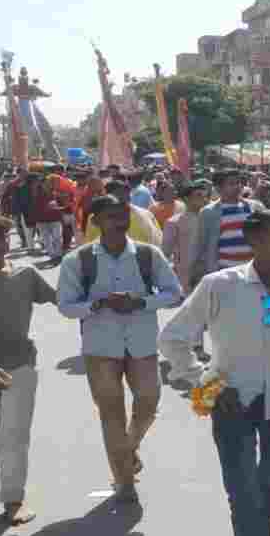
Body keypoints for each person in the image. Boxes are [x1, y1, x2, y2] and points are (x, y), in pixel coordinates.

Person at [159, 209, 270, 536]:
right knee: (242, 491)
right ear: (254, 241)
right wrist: (208, 384)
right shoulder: (219, 285)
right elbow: (171, 339)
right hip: (228, 402)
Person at [57, 195, 183, 503]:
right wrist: (98, 304)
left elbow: (174, 293)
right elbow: (66, 306)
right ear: (96, 221)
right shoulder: (78, 260)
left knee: (149, 403)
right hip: (100, 348)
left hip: (141, 343)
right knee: (111, 414)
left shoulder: (147, 255)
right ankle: (125, 481)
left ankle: (128, 449)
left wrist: (140, 301)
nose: (119, 221)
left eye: (122, 214)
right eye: (111, 216)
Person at [0, 214, 56, 525]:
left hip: (19, 364)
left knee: (14, 435)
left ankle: (13, 499)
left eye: (2, 237)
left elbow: (64, 299)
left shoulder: (25, 275)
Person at [161, 181, 214, 366]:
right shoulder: (174, 222)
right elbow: (165, 250)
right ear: (186, 198)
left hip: (212, 269)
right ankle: (196, 346)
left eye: (205, 195)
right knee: (196, 308)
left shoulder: (213, 218)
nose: (203, 199)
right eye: (198, 195)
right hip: (187, 272)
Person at [196, 169, 266, 275]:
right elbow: (202, 245)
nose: (237, 186)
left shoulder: (256, 207)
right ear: (218, 188)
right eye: (232, 183)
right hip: (225, 271)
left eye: (239, 183)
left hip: (254, 271)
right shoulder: (208, 212)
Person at [26, 174, 64, 262]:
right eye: (43, 182)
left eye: (48, 182)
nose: (46, 184)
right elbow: (33, 205)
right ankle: (52, 255)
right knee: (46, 238)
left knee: (57, 237)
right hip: (41, 219)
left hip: (55, 218)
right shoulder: (35, 192)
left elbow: (61, 203)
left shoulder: (55, 191)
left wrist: (59, 206)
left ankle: (58, 254)